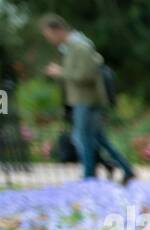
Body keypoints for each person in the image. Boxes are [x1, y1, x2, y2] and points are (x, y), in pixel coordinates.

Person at [40, 13, 135, 184]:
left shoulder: (80, 47)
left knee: (83, 139)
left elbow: (87, 74)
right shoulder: (71, 47)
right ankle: (125, 170)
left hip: (87, 100)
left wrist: (60, 72)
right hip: (81, 100)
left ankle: (89, 177)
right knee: (97, 139)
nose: (50, 40)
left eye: (49, 35)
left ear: (58, 30)